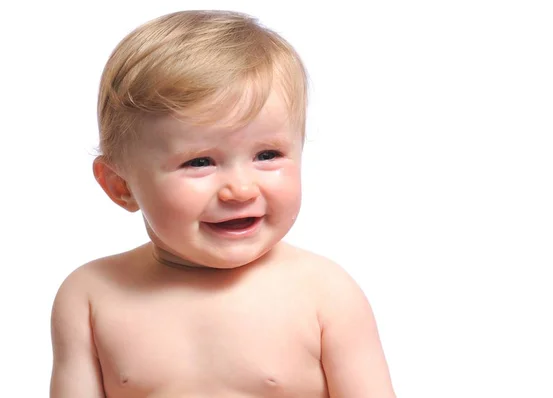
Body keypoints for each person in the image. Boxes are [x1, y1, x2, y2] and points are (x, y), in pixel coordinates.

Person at [50, 10, 396, 398]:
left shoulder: (325, 294)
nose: (241, 189)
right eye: (200, 162)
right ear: (120, 186)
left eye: (267, 154)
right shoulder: (91, 296)